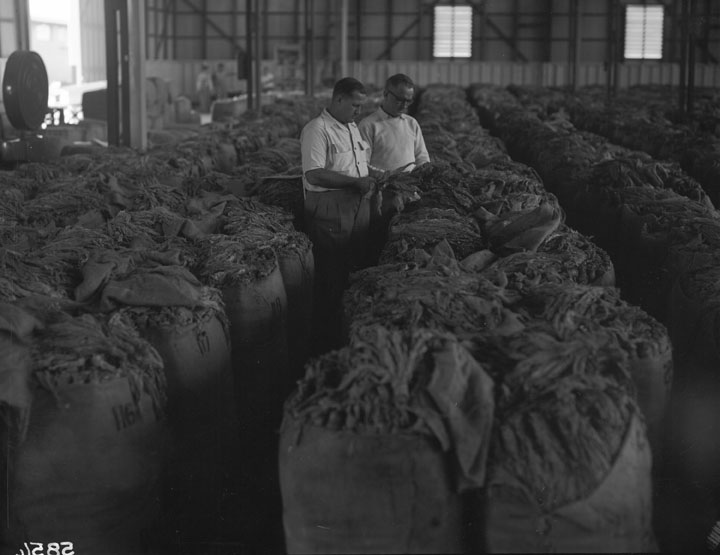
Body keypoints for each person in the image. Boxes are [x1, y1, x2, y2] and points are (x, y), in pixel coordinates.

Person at [300, 77, 378, 353]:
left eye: (361, 106)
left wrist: (375, 175)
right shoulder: (317, 129)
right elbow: (314, 173)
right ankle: (328, 339)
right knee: (332, 272)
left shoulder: (352, 127)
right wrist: (354, 183)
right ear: (339, 99)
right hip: (330, 208)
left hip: (357, 205)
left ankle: (347, 328)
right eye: (355, 105)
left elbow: (358, 165)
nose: (359, 111)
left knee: (353, 264)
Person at [358, 73, 430, 261]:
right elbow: (361, 165)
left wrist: (423, 176)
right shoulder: (368, 125)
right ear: (385, 94)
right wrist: (388, 177)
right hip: (380, 197)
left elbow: (422, 157)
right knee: (378, 240)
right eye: (399, 99)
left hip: (410, 195)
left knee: (403, 243)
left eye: (408, 101)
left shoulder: (412, 124)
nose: (404, 105)